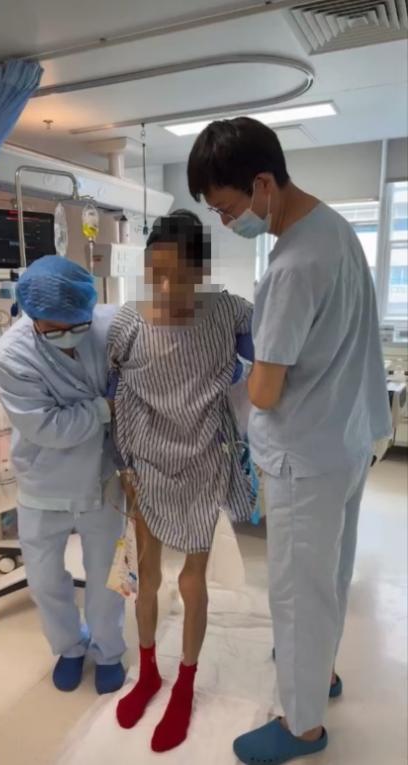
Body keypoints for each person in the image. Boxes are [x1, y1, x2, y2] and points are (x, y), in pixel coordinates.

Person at [187, 118, 392, 764]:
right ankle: (319, 669)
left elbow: (268, 391)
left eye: (227, 209)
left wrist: (233, 377)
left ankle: (302, 725)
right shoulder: (336, 230)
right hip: (348, 438)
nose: (227, 223)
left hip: (305, 453)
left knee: (298, 589)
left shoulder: (292, 264)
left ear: (262, 184)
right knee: (328, 571)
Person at [108, 211, 255, 753]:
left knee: (193, 583)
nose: (166, 288)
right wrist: (124, 467)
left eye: (179, 276)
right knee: (146, 577)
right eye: (156, 274)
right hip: (146, 463)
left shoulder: (230, 313)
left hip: (201, 462)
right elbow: (113, 396)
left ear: (203, 272)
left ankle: (185, 682)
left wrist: (244, 371)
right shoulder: (129, 322)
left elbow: (270, 360)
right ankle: (148, 671)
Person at [0, 255, 126, 696]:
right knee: (45, 578)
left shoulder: (110, 325)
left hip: (103, 475)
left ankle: (109, 651)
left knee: (109, 575)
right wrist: (104, 408)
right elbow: (47, 427)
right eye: (53, 329)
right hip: (44, 480)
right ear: (32, 317)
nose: (68, 334)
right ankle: (68, 647)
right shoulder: (11, 355)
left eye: (77, 324)